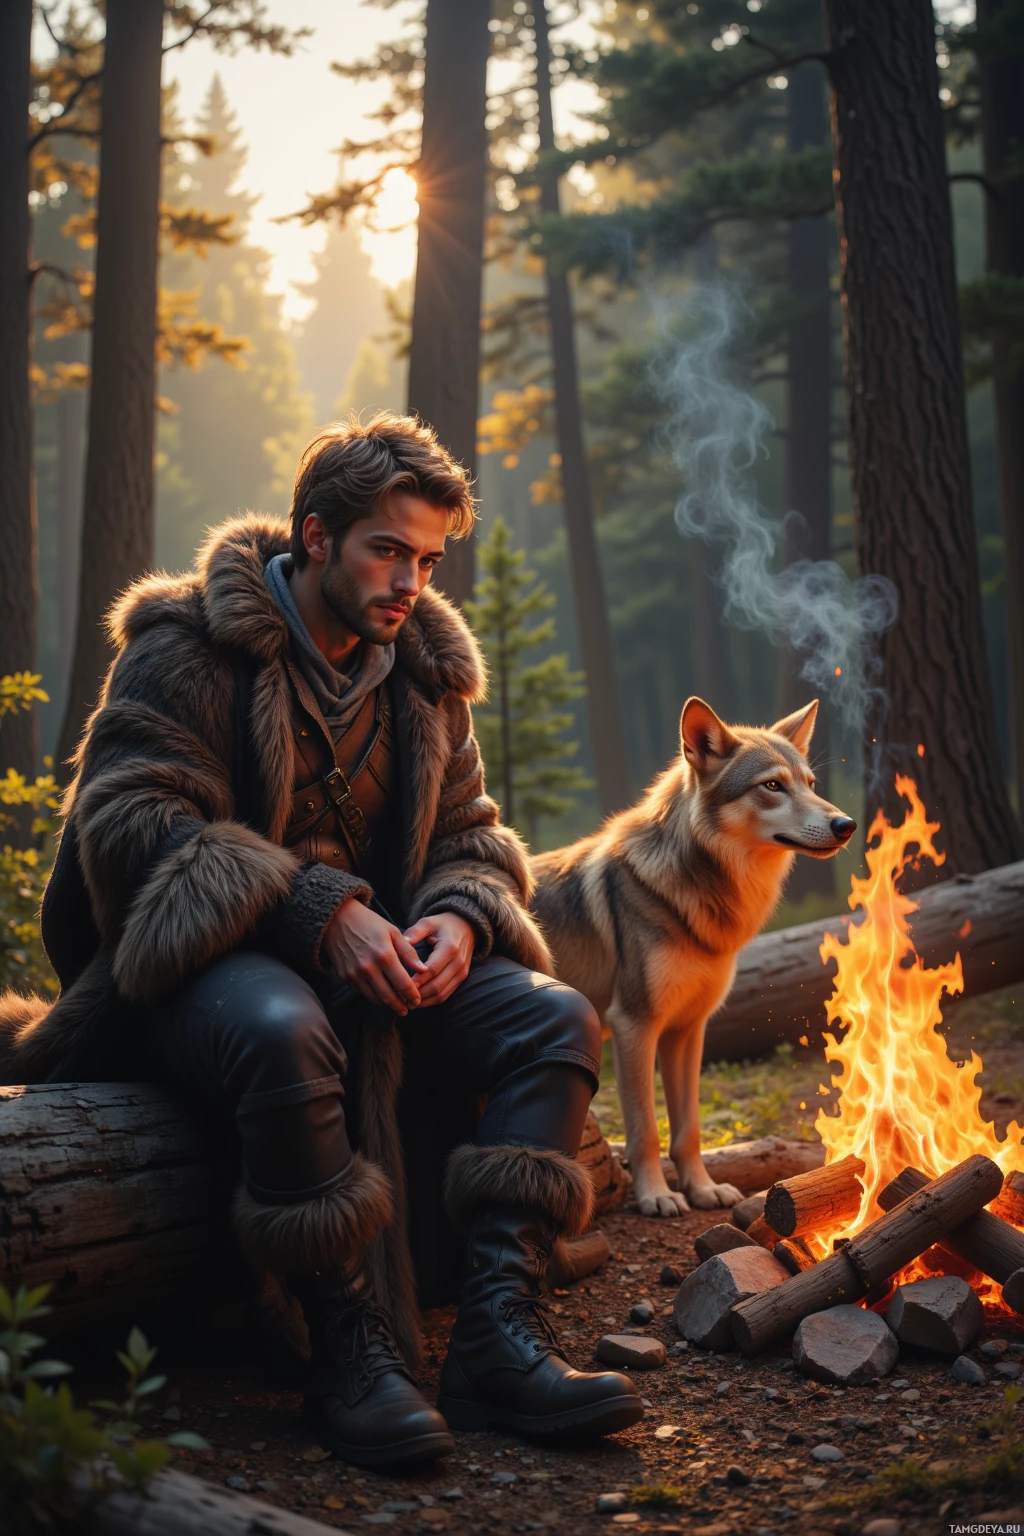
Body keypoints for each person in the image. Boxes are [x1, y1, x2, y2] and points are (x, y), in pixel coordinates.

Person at [0, 414, 643, 1468]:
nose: (410, 583)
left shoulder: (426, 675)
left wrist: (454, 914)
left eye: (428, 560)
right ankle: (347, 1349)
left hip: (384, 969)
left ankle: (495, 1338)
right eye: (387, 551)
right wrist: (313, 908)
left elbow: (471, 836)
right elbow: (127, 822)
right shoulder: (184, 646)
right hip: (199, 972)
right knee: (284, 1024)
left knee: (554, 1019)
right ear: (313, 538)